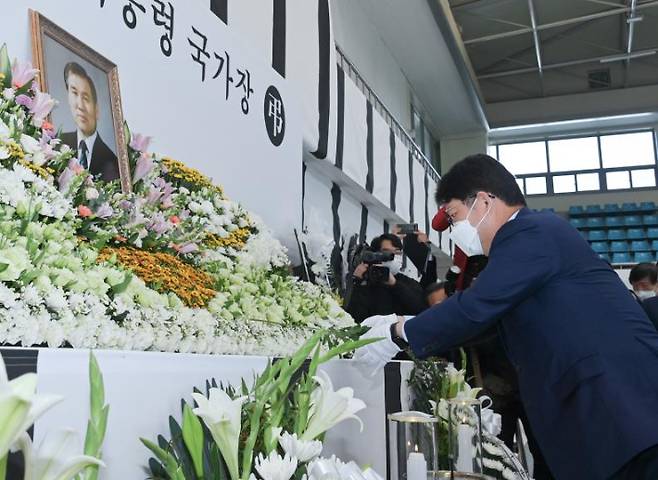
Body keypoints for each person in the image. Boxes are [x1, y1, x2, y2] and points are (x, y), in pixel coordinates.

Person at [354, 154, 658, 480]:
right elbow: (483, 324)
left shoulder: (532, 232)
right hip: (603, 417)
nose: (455, 231)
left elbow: (475, 308)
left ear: (483, 201)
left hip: (621, 412)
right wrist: (405, 326)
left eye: (455, 217)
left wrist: (400, 331)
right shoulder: (526, 243)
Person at [345, 233, 427, 324]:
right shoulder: (365, 281)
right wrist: (359, 282)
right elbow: (354, 318)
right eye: (386, 252)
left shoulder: (408, 283)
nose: (393, 257)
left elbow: (421, 309)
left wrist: (395, 284)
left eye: (397, 252)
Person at [60, 62, 120, 182]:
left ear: (96, 110)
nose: (80, 105)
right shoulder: (59, 142)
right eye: (74, 93)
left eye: (86, 98)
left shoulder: (112, 162)